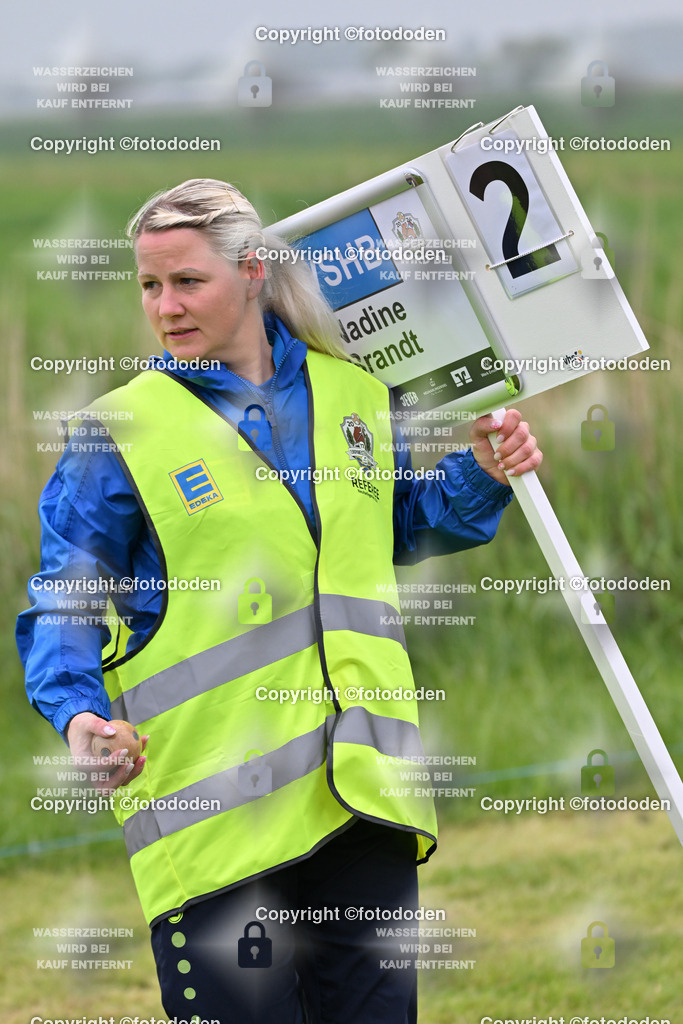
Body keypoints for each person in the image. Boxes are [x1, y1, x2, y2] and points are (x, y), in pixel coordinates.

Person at [17, 178, 542, 1024]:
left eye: (188, 281)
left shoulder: (351, 394)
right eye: (150, 286)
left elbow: (386, 528)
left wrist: (480, 471)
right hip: (215, 832)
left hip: (359, 801)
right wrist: (79, 718)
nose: (165, 307)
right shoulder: (119, 433)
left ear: (253, 271)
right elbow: (64, 599)